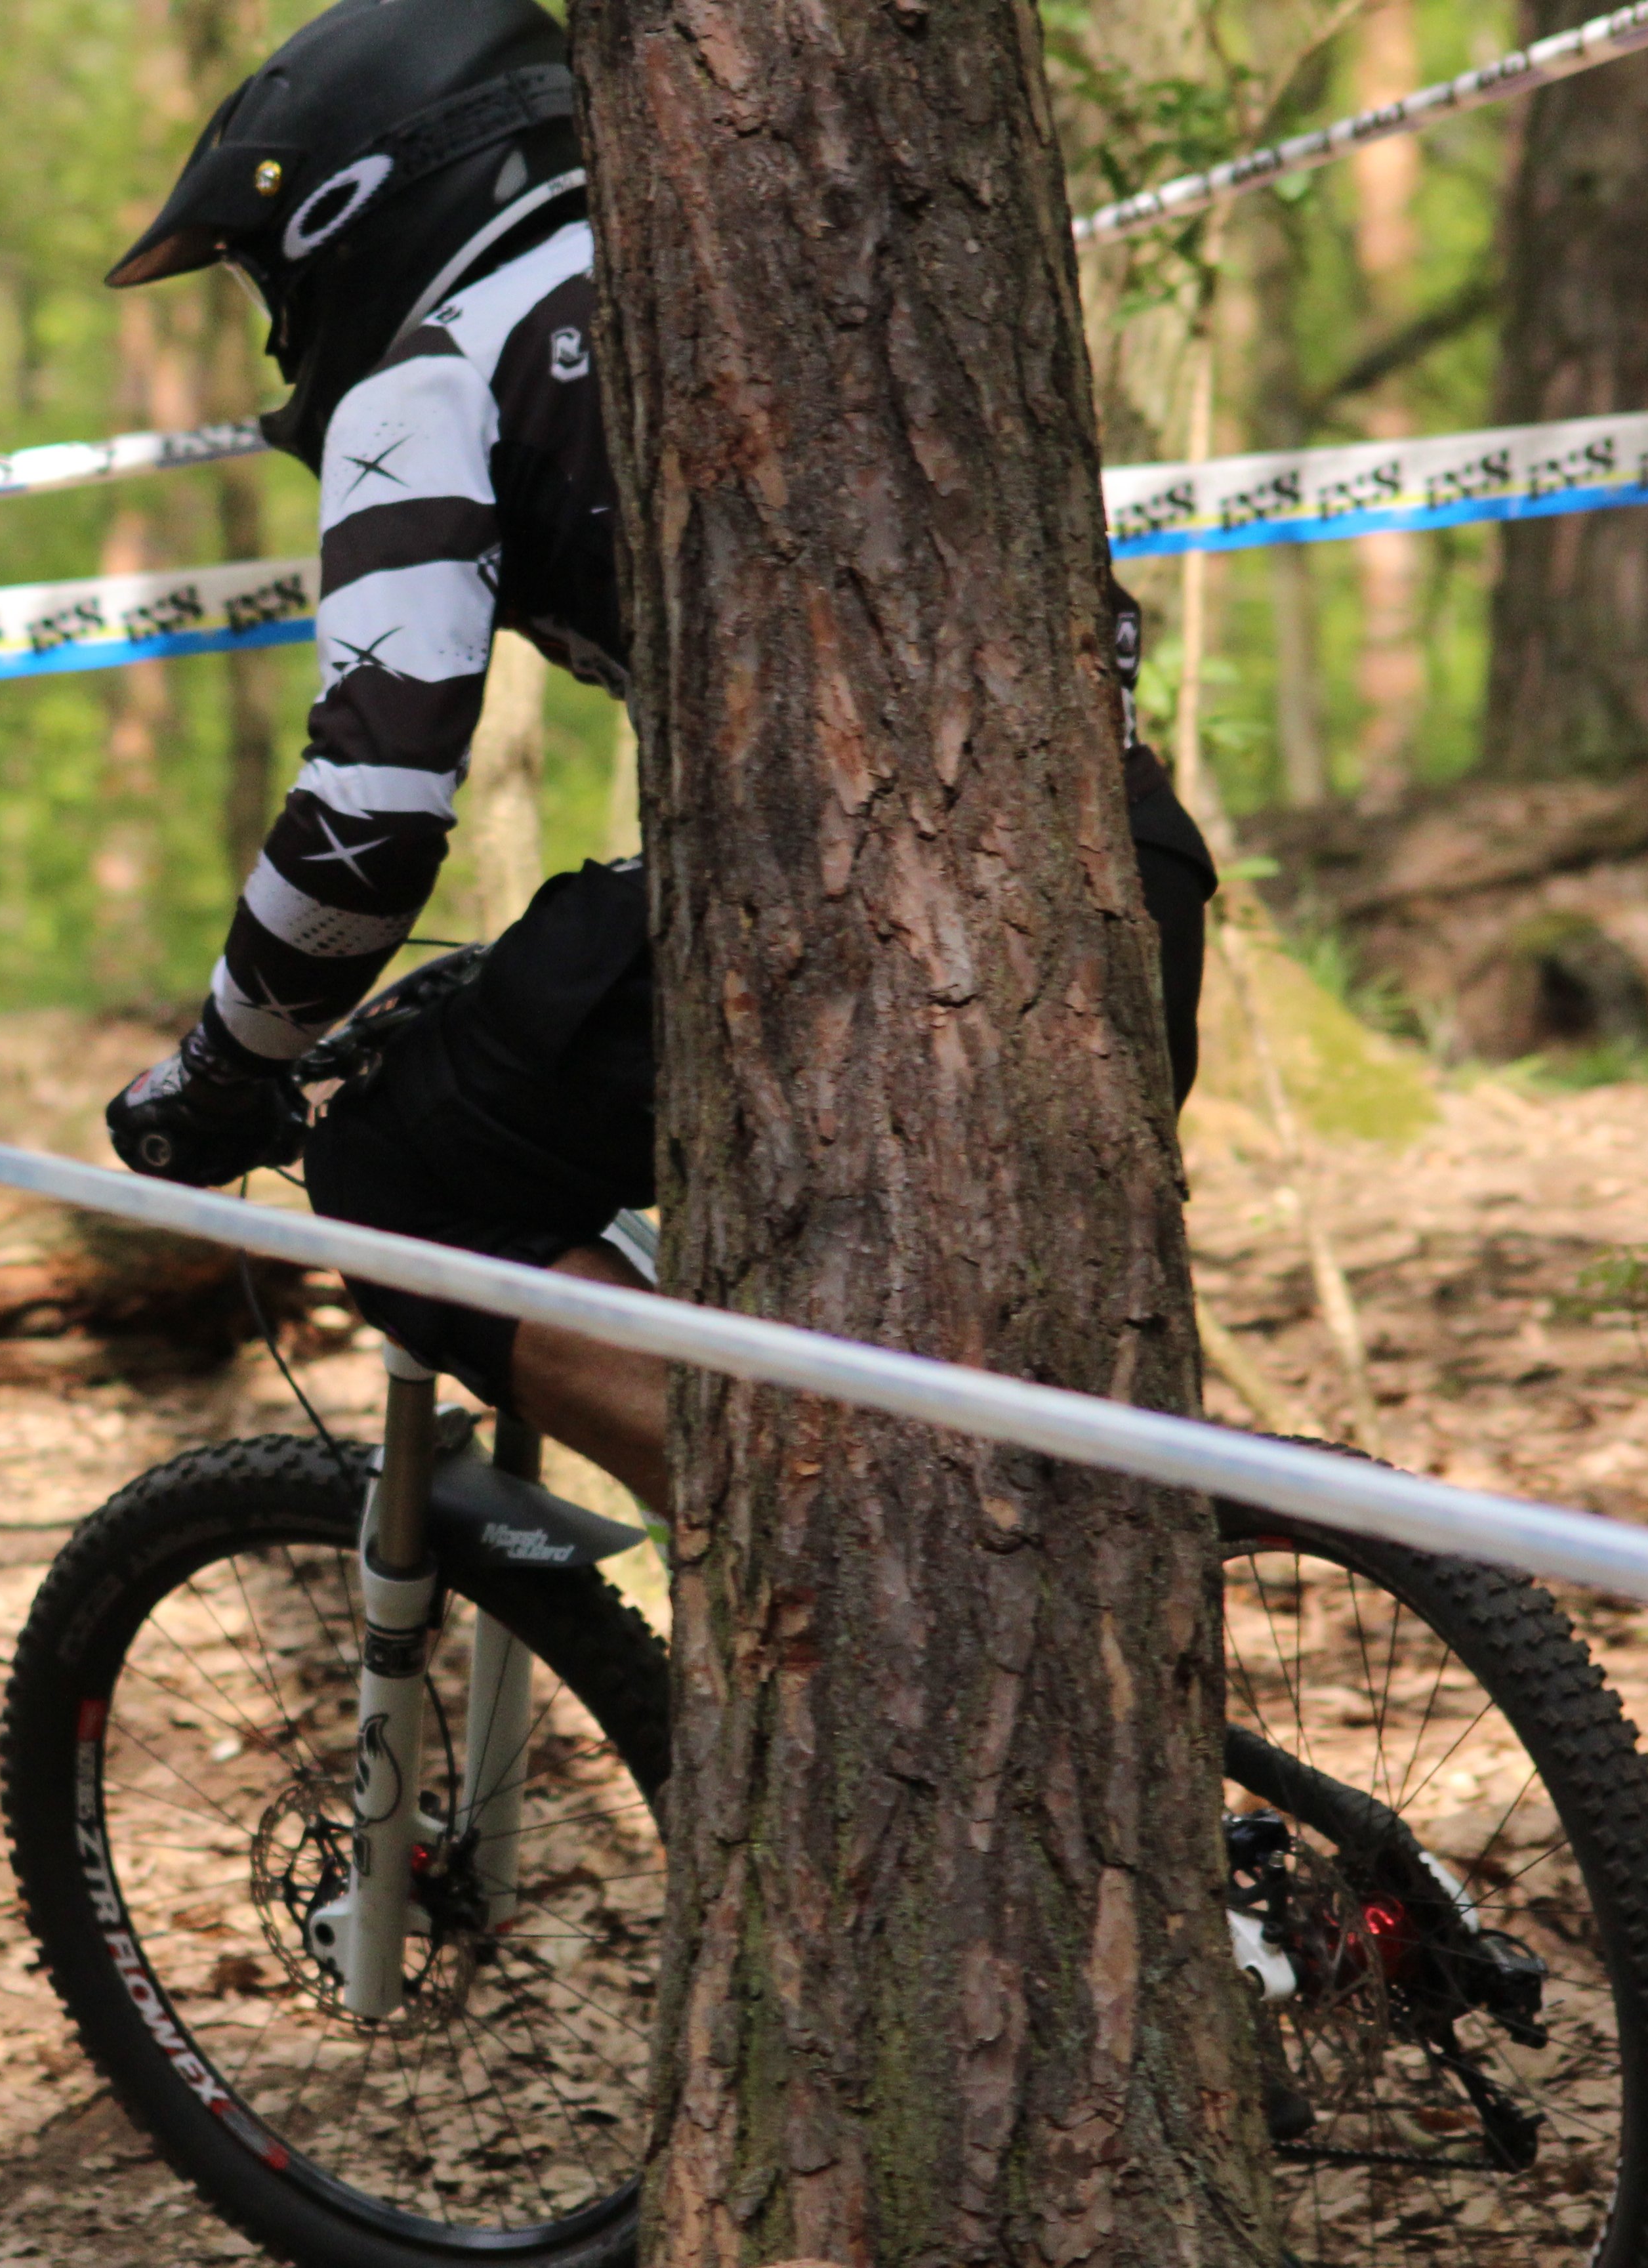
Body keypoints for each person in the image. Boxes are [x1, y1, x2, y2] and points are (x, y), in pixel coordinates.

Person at [100, 0, 1216, 1515]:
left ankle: (783, 1542)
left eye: (262, 278)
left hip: (853, 934)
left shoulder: (426, 378)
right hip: (1133, 886)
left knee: (396, 1171)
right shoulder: (809, 247)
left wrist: (224, 1063)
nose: (275, 328)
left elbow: (369, 813)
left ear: (354, 208)